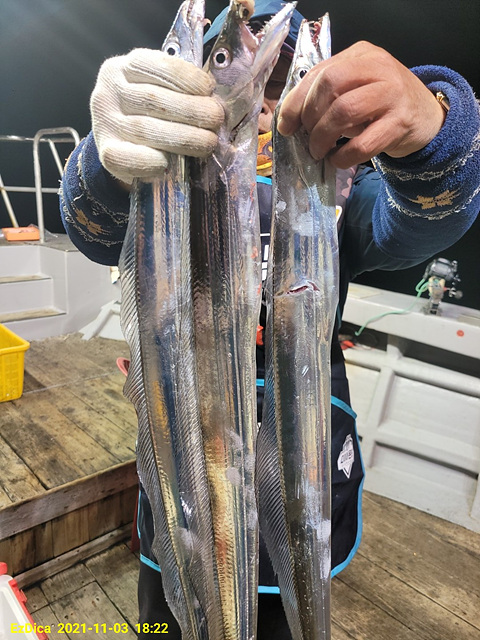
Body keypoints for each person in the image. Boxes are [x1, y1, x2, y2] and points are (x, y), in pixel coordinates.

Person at [59, 1, 480, 638]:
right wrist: (109, 157)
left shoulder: (339, 191)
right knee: (169, 618)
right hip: (186, 480)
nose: (264, 103)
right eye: (248, 76)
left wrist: (433, 129)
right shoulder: (167, 182)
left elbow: (426, 219)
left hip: (302, 478)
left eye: (283, 83)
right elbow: (92, 230)